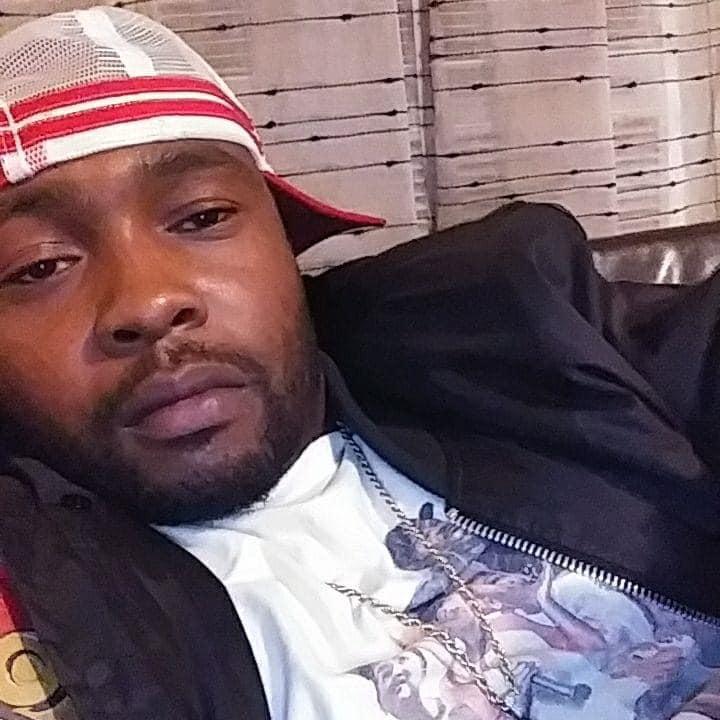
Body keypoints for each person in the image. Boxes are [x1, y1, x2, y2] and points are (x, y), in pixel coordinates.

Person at [0, 6, 718, 720]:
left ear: (286, 246)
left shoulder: (511, 325)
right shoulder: (41, 589)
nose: (150, 301)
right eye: (39, 265)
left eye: (202, 217)